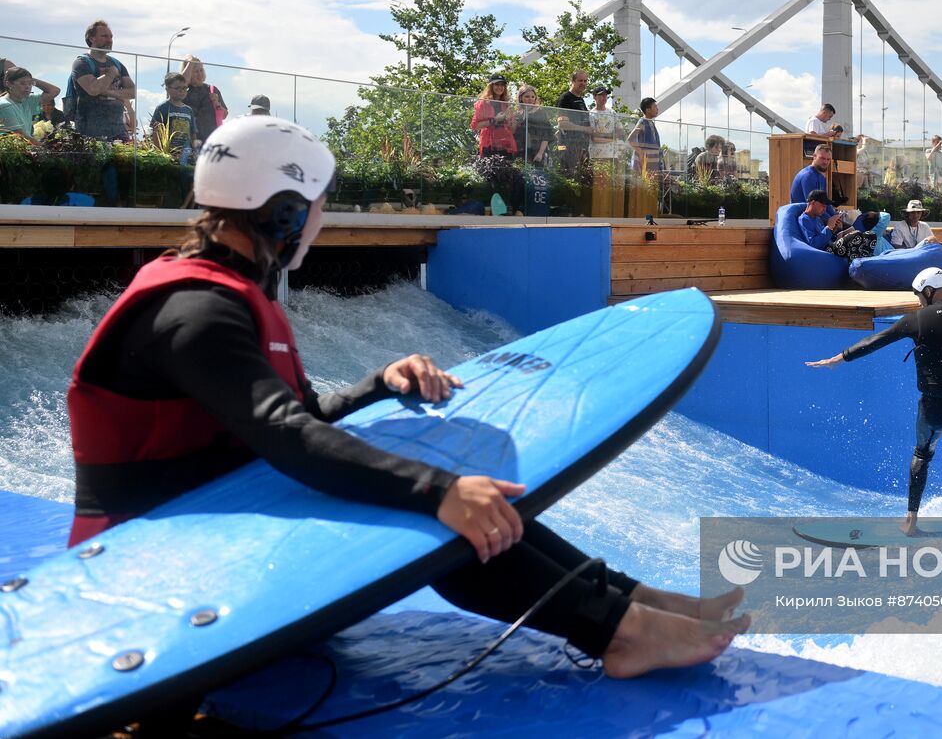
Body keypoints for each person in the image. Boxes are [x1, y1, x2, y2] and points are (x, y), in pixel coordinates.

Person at [65, 116, 749, 698]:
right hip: (155, 573)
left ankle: (625, 599)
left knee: (431, 473)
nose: (321, 220)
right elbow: (285, 435)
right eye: (318, 203)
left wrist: (378, 384)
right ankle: (619, 630)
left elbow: (289, 421)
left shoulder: (223, 293)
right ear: (284, 211)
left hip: (218, 523)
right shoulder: (197, 313)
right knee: (434, 502)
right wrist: (438, 492)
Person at [805, 267, 942, 534]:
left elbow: (875, 341)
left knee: (922, 454)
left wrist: (839, 358)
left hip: (932, 408)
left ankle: (910, 521)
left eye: (918, 295)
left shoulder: (916, 320)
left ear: (929, 291)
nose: (918, 301)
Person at [67, 20, 134, 141]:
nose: (109, 40)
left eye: (111, 36)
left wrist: (108, 92)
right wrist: (111, 73)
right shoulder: (81, 63)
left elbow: (132, 92)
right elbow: (93, 89)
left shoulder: (117, 64)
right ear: (91, 38)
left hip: (118, 131)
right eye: (104, 36)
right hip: (90, 133)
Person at [797, 191, 869, 258]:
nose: (824, 210)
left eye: (826, 207)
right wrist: (829, 227)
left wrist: (834, 230)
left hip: (832, 245)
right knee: (857, 235)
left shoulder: (817, 218)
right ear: (813, 203)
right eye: (823, 206)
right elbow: (813, 244)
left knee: (869, 235)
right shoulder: (804, 219)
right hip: (825, 251)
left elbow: (827, 237)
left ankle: (864, 263)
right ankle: (855, 266)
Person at [148, 72, 196, 165]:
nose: (182, 91)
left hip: (186, 154)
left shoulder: (188, 110)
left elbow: (193, 134)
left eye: (184, 88)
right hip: (168, 154)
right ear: (167, 89)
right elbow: (156, 133)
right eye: (178, 88)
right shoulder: (162, 108)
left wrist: (195, 151)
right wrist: (160, 154)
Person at [0, 66, 59, 141]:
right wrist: (45, 148)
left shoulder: (27, 100)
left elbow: (54, 91)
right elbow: (21, 137)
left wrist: (30, 78)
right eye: (23, 83)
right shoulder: (4, 105)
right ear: (9, 84)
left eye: (30, 83)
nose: (28, 87)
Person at [472, 74, 518, 159]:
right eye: (497, 84)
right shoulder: (483, 103)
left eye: (502, 85)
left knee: (507, 171)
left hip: (506, 144)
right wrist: (495, 120)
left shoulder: (507, 104)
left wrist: (512, 121)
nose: (500, 87)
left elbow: (512, 130)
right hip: (489, 144)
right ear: (490, 86)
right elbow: (475, 126)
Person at [555, 70, 593, 172]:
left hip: (582, 147)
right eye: (580, 80)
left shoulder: (581, 100)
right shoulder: (565, 98)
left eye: (585, 81)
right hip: (569, 146)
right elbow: (562, 124)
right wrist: (585, 129)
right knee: (570, 176)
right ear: (572, 81)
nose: (583, 83)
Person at [179, 56, 220, 146]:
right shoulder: (183, 92)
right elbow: (180, 83)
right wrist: (190, 63)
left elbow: (224, 115)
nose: (200, 74)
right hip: (188, 140)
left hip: (210, 140)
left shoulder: (212, 89)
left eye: (201, 70)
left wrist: (216, 103)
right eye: (196, 71)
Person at [515, 85, 554, 166]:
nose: (530, 99)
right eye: (527, 96)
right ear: (520, 98)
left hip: (537, 152)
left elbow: (547, 135)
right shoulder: (518, 114)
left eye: (533, 97)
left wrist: (540, 153)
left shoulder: (540, 112)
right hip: (521, 153)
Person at [790, 142, 835, 207]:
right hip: (801, 215)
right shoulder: (808, 176)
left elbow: (824, 204)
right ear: (814, 156)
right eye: (822, 158)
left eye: (828, 159)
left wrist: (837, 215)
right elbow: (813, 206)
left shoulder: (822, 178)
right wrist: (831, 217)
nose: (825, 162)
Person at [627, 96, 662, 178]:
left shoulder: (650, 122)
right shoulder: (643, 122)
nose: (657, 109)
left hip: (652, 161)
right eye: (655, 107)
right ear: (648, 110)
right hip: (646, 161)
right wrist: (640, 152)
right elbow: (630, 139)